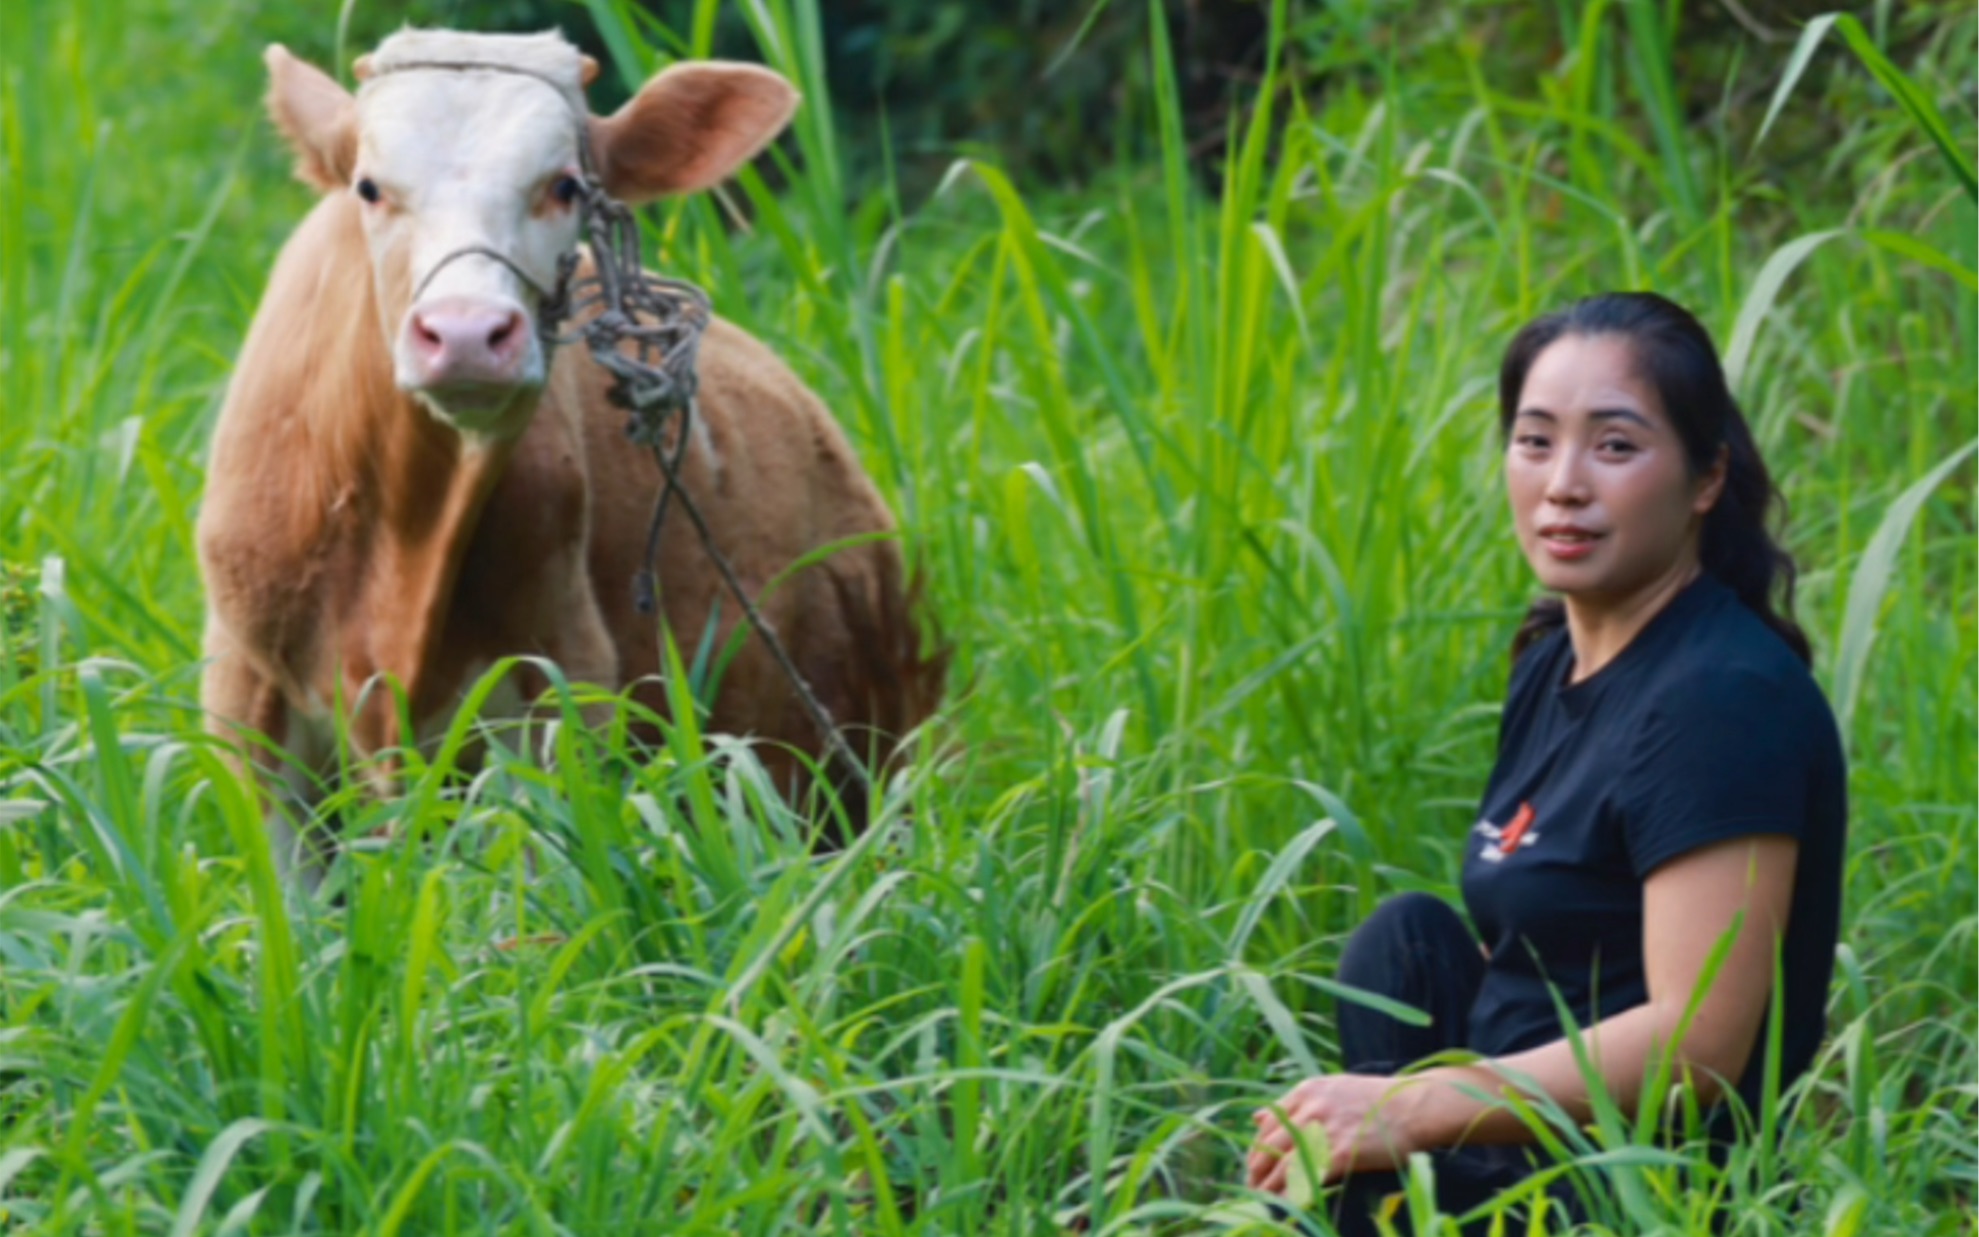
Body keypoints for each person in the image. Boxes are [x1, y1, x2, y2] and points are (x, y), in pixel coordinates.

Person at [1245, 292, 1847, 1234]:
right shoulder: (1555, 656)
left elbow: (1697, 1047)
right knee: (1401, 948)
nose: (1563, 483)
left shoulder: (1722, 699)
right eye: (1534, 441)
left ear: (1703, 478)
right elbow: (1547, 935)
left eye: (1613, 446)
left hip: (1641, 1184)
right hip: (1521, 1128)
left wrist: (1405, 1110)